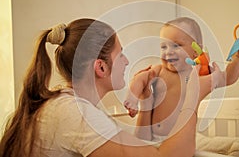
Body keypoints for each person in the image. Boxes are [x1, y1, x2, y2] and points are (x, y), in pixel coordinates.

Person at [0, 18, 224, 157]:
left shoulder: (66, 104)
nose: (127, 61)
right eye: (121, 54)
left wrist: (145, 102)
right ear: (101, 67)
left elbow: (143, 146)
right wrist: (194, 95)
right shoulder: (78, 114)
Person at [124, 17, 239, 141]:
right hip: (152, 137)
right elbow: (139, 79)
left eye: (176, 45)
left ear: (196, 51)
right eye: (164, 47)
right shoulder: (159, 71)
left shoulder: (199, 73)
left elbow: (227, 78)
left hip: (180, 140)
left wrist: (238, 58)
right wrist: (132, 99)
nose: (168, 52)